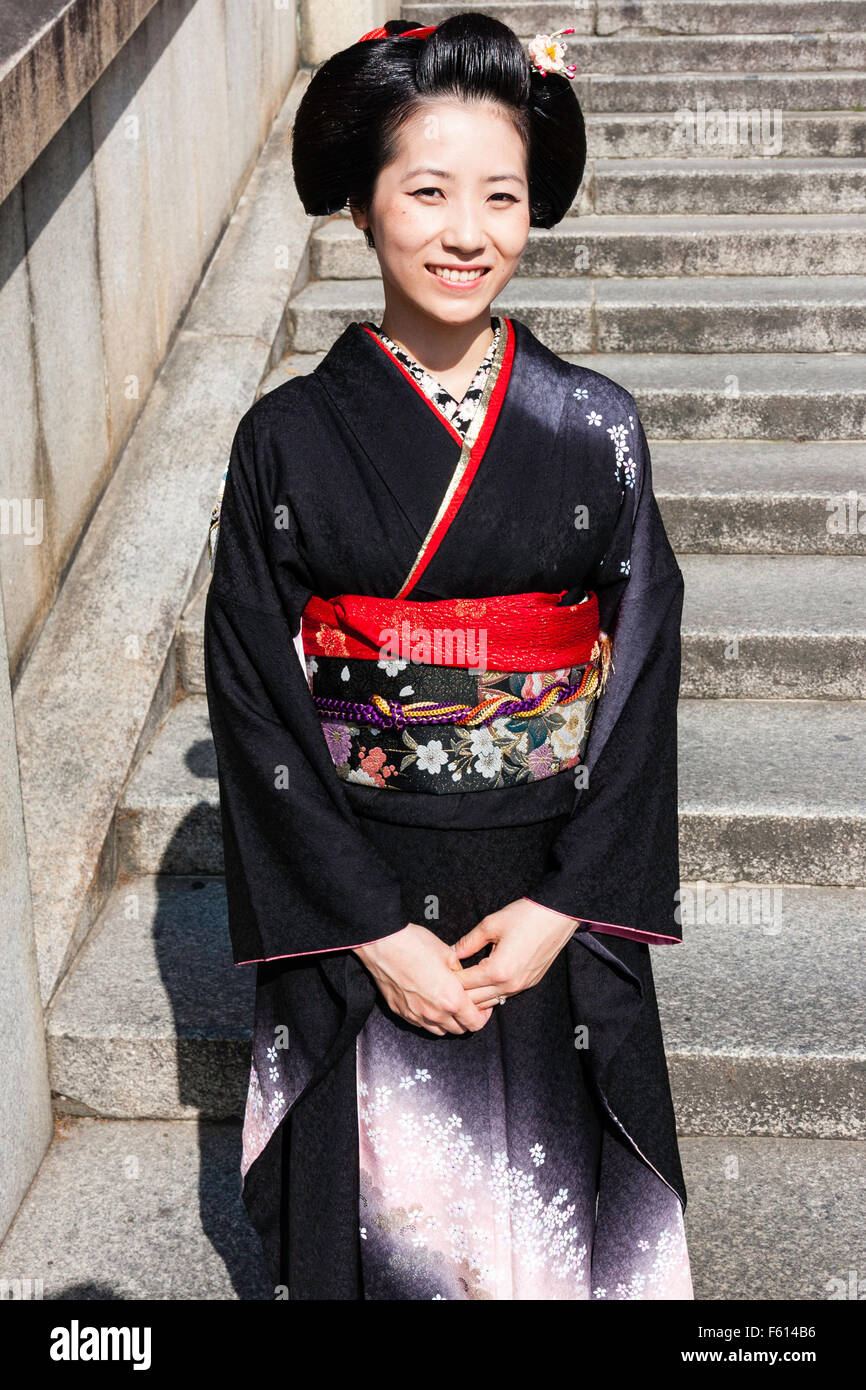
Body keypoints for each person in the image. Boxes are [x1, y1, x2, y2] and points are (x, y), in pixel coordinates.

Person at [204, 10, 694, 1300]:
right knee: (386, 1228)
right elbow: (258, 704)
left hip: (546, 890)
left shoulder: (595, 427)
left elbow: (639, 678)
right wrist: (369, 931)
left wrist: (565, 902)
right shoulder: (286, 439)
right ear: (362, 206)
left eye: (502, 195)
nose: (467, 232)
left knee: (551, 1223)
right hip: (361, 879)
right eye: (426, 191)